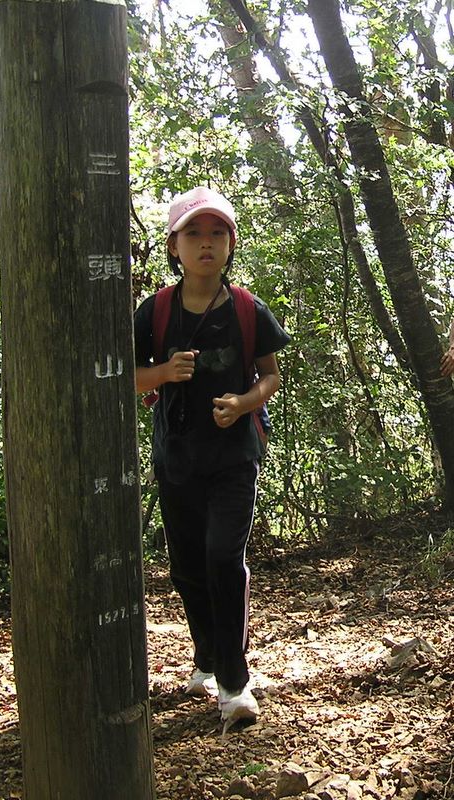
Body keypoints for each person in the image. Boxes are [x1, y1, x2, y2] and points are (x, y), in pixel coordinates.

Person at [133, 186, 290, 730]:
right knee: (187, 569)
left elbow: (270, 373)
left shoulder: (248, 309)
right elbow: (127, 378)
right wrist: (162, 373)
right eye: (194, 234)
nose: (206, 244)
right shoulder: (154, 311)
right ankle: (205, 657)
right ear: (174, 246)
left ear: (230, 244)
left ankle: (233, 684)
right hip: (176, 456)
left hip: (234, 458)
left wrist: (245, 403)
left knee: (224, 558)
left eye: (217, 233)